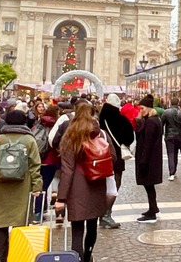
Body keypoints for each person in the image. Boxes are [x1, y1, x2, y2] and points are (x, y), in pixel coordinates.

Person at [55, 101, 114, 262]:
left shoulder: (70, 135)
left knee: (77, 228)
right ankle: (88, 255)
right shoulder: (101, 133)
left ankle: (78, 258)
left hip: (77, 186)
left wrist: (61, 198)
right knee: (92, 224)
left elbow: (67, 170)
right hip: (97, 183)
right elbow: (113, 157)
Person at [0, 110, 42, 262]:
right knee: (20, 227)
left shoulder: (0, 140)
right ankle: (18, 257)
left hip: (0, 189)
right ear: (24, 122)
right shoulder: (29, 140)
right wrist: (37, 187)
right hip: (22, 188)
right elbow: (35, 165)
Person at [99, 93, 135, 229]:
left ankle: (101, 212)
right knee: (115, 185)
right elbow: (130, 138)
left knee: (102, 184)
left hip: (101, 156)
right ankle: (107, 214)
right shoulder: (123, 120)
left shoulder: (100, 119)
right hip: (117, 157)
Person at [134, 94, 163, 223]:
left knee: (149, 185)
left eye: (142, 108)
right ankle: (153, 208)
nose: (140, 111)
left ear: (149, 108)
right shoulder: (151, 120)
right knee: (149, 186)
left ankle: (152, 212)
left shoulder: (151, 122)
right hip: (151, 158)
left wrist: (143, 160)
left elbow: (148, 143)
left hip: (149, 159)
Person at [32, 104, 59, 220]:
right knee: (44, 187)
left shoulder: (38, 124)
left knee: (41, 185)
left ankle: (43, 207)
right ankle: (38, 212)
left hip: (38, 159)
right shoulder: (56, 126)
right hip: (51, 160)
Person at [161, 97, 181, 181]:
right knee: (175, 153)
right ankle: (174, 171)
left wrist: (160, 135)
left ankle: (171, 172)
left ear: (170, 103)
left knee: (170, 153)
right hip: (178, 135)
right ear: (178, 103)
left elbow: (161, 124)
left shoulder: (166, 112)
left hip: (169, 135)